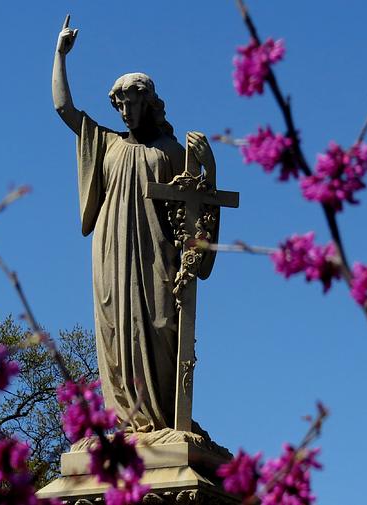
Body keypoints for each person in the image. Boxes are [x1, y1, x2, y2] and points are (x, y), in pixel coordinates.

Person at [51, 15, 216, 433]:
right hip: (111, 249)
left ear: (150, 103)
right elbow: (64, 109)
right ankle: (128, 422)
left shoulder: (172, 151)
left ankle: (163, 419)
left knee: (161, 325)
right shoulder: (105, 143)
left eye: (132, 103)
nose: (125, 112)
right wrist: (60, 55)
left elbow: (200, 206)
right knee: (115, 335)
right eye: (119, 105)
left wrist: (209, 169)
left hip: (156, 252)